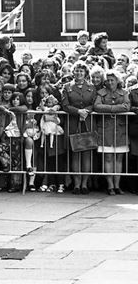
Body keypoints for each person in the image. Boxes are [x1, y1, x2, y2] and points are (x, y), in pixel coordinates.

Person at [61, 61, 96, 195]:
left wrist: (86, 111)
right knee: (75, 154)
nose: (78, 73)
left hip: (87, 122)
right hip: (73, 123)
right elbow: (65, 105)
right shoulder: (67, 86)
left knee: (86, 154)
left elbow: (94, 103)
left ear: (85, 73)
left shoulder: (92, 87)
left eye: (81, 71)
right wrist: (78, 112)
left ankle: (84, 184)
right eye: (76, 70)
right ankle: (76, 184)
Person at [94, 70, 130, 195]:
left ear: (117, 81)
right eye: (108, 80)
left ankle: (117, 185)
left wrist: (109, 109)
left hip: (120, 129)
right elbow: (97, 106)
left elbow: (127, 106)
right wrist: (114, 109)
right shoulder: (101, 93)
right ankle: (110, 186)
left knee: (119, 159)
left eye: (112, 80)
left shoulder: (124, 93)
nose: (110, 83)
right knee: (108, 158)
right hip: (106, 128)